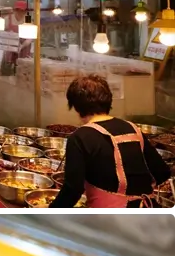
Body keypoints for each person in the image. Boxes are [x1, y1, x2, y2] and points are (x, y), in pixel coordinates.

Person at [49, 75, 170, 211]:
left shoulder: (80, 137)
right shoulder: (132, 128)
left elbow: (72, 190)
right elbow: (163, 173)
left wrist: (50, 211)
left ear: (76, 107)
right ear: (108, 101)